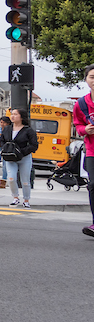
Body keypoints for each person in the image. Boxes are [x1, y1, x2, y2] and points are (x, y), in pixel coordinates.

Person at [1, 107, 38, 208]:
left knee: (25, 181)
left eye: (15, 114)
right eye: (12, 114)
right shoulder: (7, 128)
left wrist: (21, 152)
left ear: (21, 117)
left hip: (24, 158)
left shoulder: (28, 130)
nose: (12, 116)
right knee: (11, 178)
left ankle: (26, 200)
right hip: (10, 157)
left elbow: (34, 145)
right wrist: (4, 149)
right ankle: (15, 198)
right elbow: (2, 140)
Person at [73, 64, 94, 237]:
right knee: (92, 185)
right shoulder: (81, 104)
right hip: (92, 150)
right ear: (86, 80)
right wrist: (84, 130)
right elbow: (77, 124)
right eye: (92, 77)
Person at [0, 115, 12, 188]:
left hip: (6, 150)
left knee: (5, 167)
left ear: (8, 123)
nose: (2, 124)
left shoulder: (9, 131)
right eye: (1, 122)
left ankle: (3, 182)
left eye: (4, 123)